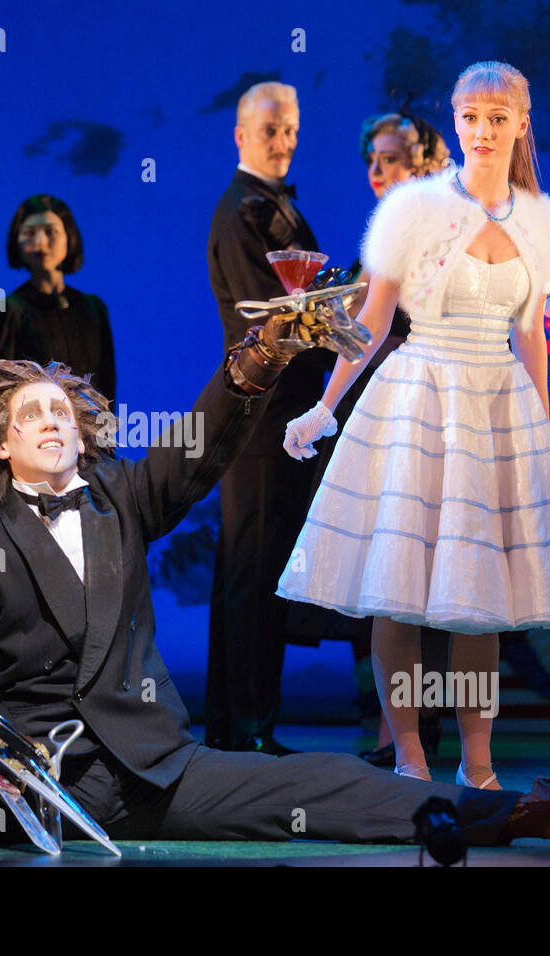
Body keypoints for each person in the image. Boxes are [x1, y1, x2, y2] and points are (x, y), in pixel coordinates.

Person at [0, 307, 550, 855]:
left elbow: (202, 448)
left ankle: (540, 814)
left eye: (62, 414)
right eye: (30, 415)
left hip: (156, 768)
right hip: (35, 779)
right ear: (0, 445)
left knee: (323, 787)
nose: (50, 423)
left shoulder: (122, 499)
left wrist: (256, 362)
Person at [279, 62, 550, 787]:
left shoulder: (542, 220)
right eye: (470, 116)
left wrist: (546, 427)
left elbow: (531, 335)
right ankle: (407, 755)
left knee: (476, 597)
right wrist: (324, 405)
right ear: (455, 122)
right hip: (419, 393)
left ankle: (480, 762)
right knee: (398, 585)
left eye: (498, 117)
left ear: (521, 122)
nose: (483, 130)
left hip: (494, 407)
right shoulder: (415, 209)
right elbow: (370, 322)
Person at [285, 112, 452, 767]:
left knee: (425, 578)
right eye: (371, 160)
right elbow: (361, 327)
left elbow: (380, 327)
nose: (378, 171)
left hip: (428, 410)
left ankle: (415, 738)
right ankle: (401, 735)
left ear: (430, 157)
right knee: (391, 574)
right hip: (386, 412)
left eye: (392, 156)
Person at [204, 80, 329, 754]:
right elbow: (273, 321)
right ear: (241, 135)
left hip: (275, 417)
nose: (284, 142)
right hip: (261, 419)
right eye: (272, 129)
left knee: (257, 569)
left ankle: (238, 726)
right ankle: (245, 729)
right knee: (254, 570)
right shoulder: (243, 212)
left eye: (292, 129)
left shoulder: (270, 206)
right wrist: (341, 321)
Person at [0, 194, 115, 403]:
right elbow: (2, 391)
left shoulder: (93, 308)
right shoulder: (8, 309)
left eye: (50, 232)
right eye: (29, 233)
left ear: (69, 236)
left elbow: (107, 384)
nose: (40, 243)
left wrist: (106, 431)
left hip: (90, 429)